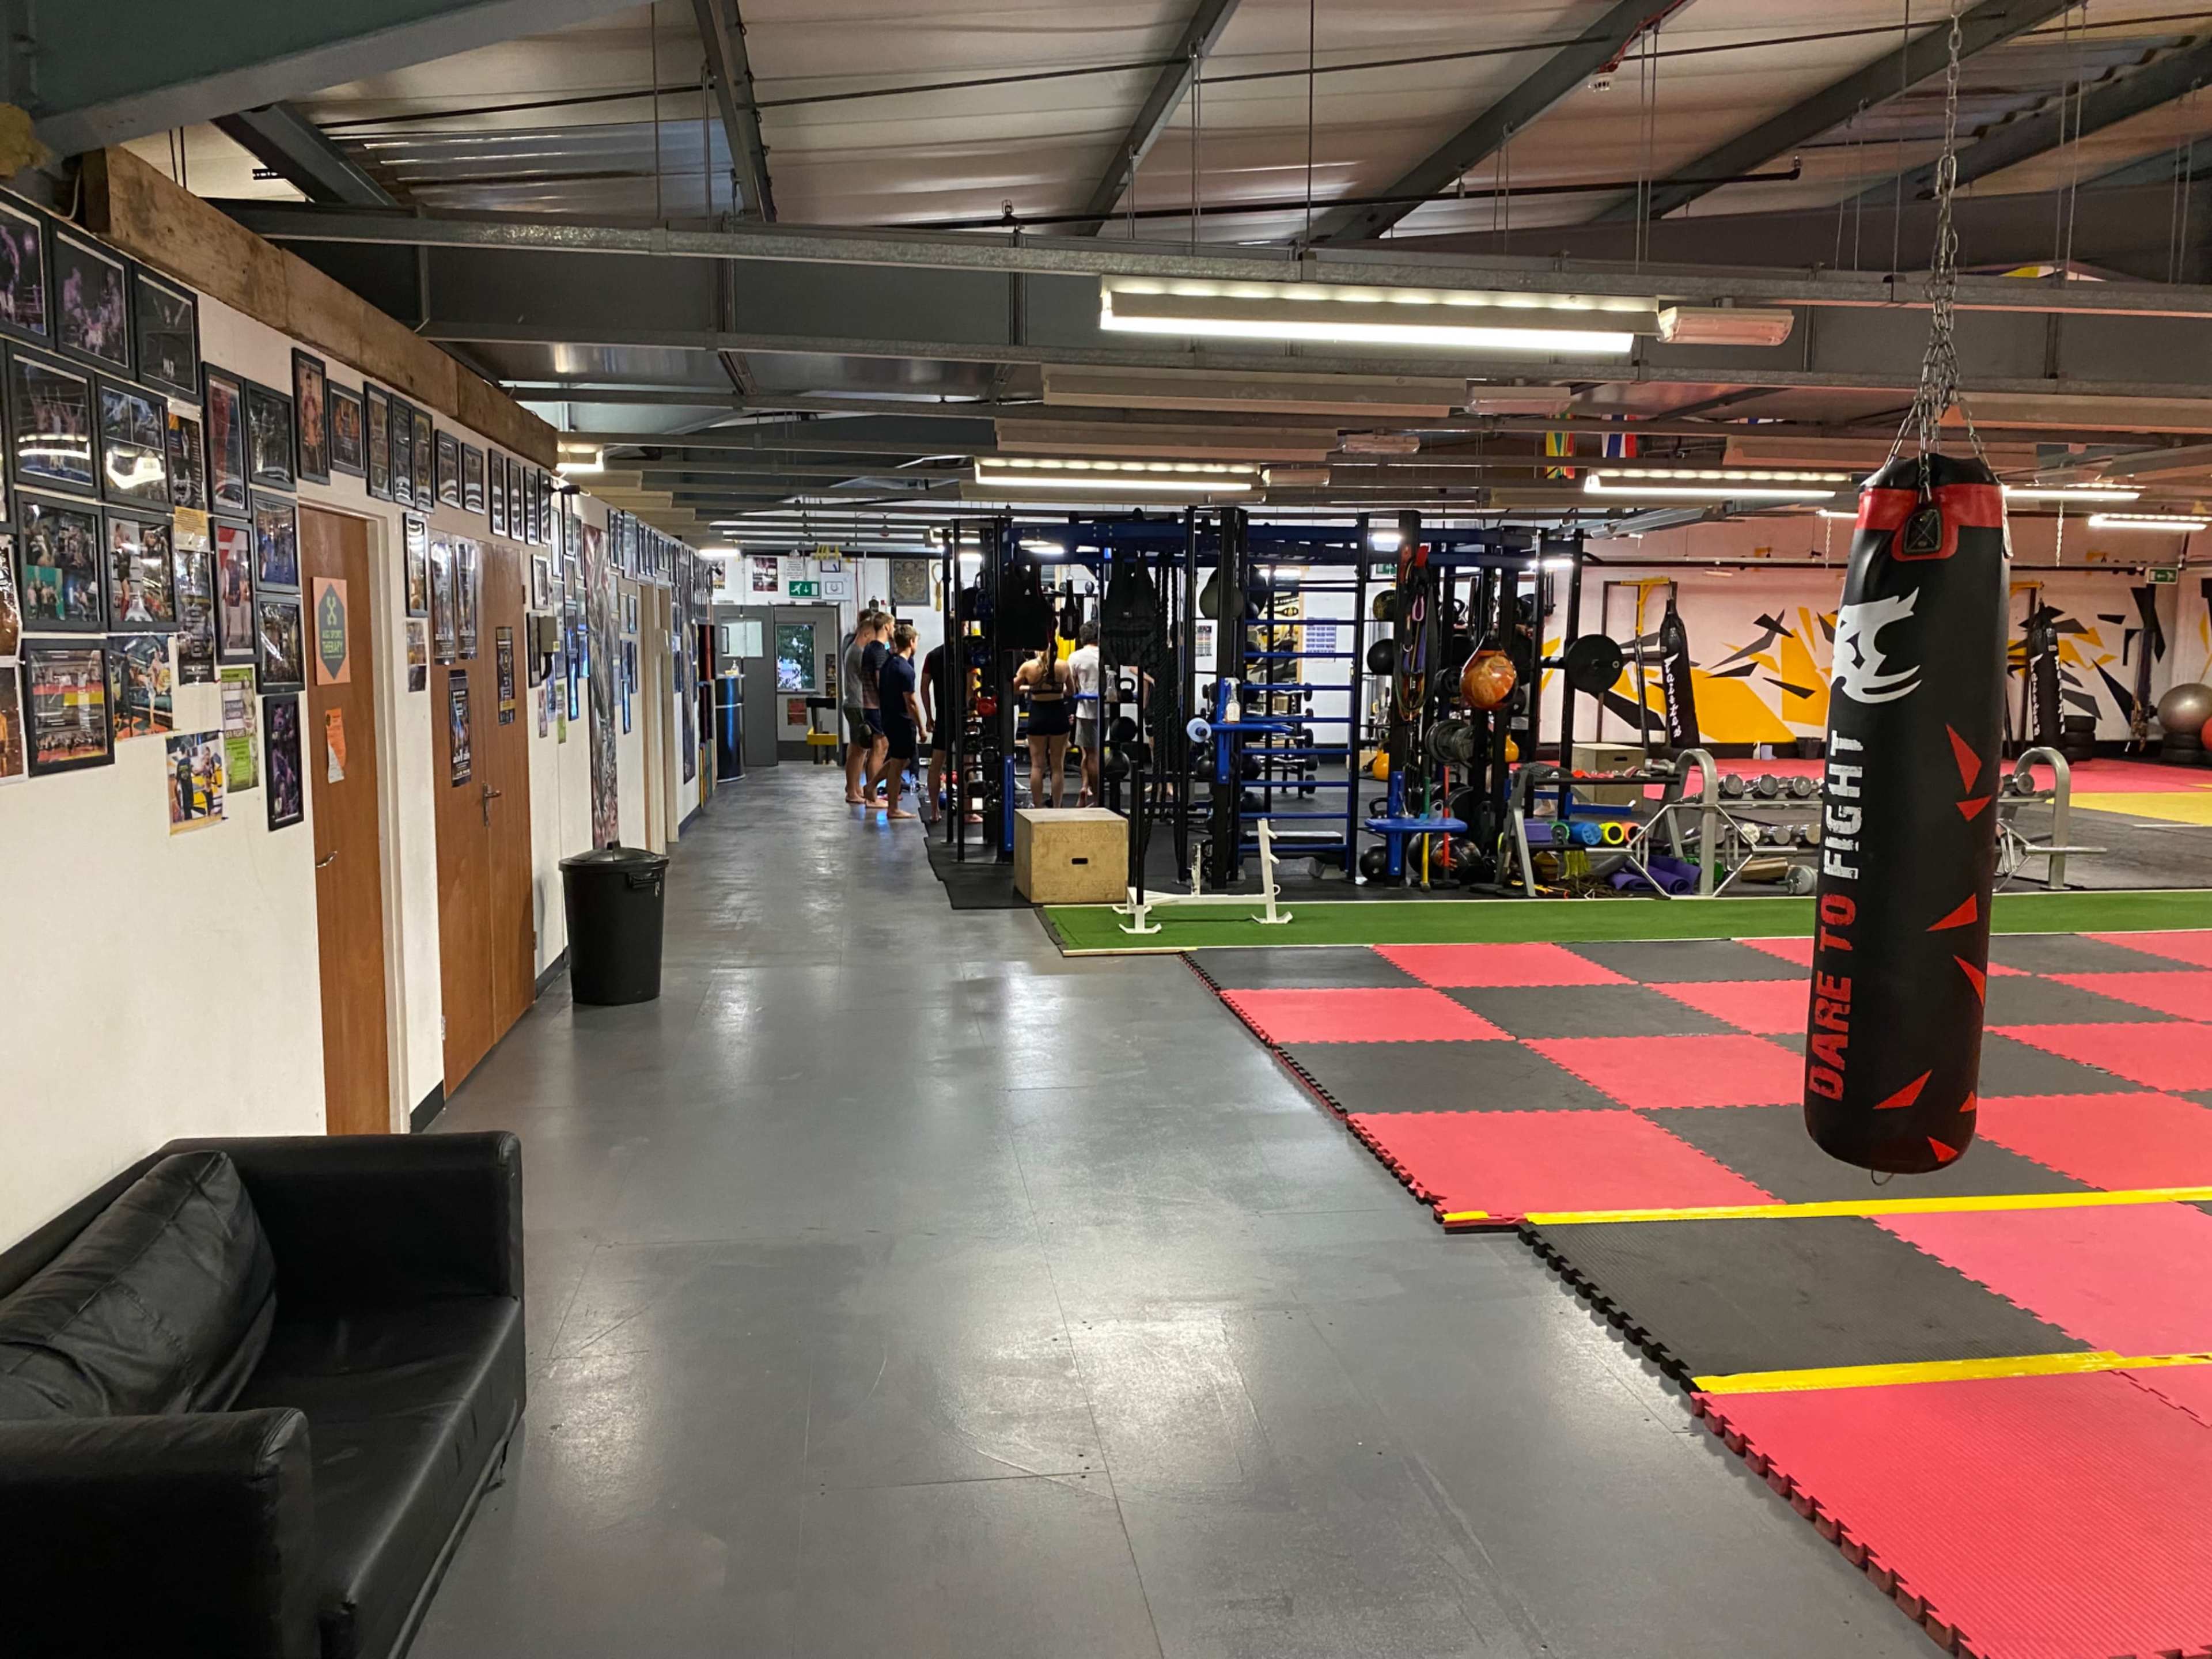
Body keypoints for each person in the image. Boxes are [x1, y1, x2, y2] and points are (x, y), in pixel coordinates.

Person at [1013, 642, 1073, 808]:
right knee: (1057, 766)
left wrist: (1032, 687)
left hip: (1038, 715)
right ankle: (1057, 806)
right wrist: (1056, 689)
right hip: (1058, 714)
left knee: (1037, 765)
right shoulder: (1063, 666)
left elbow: (1014, 688)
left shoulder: (1028, 667)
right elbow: (1072, 691)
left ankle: (1038, 807)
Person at [878, 623, 925, 820]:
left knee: (899, 760)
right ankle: (893, 808)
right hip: (901, 721)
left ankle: (872, 785)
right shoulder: (906, 669)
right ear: (912, 642)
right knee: (898, 765)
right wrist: (921, 728)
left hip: (888, 718)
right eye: (917, 642)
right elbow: (911, 702)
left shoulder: (889, 664)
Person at [840, 612, 877, 805]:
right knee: (859, 751)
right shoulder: (858, 653)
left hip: (854, 703)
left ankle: (853, 787)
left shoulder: (852, 649)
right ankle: (852, 792)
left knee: (857, 749)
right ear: (866, 634)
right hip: (857, 704)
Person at [1066, 620, 1101, 806]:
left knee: (1089, 754)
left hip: (1086, 710)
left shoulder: (1076, 656)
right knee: (1094, 754)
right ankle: (1088, 789)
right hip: (1105, 709)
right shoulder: (1106, 654)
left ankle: (1095, 796)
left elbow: (1070, 687)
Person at [859, 609, 891, 796]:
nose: (894, 629)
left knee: (876, 749)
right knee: (880, 748)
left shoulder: (869, 648)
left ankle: (871, 792)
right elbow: (881, 681)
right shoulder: (878, 651)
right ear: (886, 626)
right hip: (876, 706)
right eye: (893, 625)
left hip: (869, 705)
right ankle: (872, 793)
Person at [919, 635, 948, 824]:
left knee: (936, 764)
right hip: (962, 716)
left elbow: (924, 688)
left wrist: (929, 716)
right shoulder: (968, 653)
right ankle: (968, 812)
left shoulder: (934, 655)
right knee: (967, 764)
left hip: (944, 716)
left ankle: (935, 811)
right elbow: (971, 686)